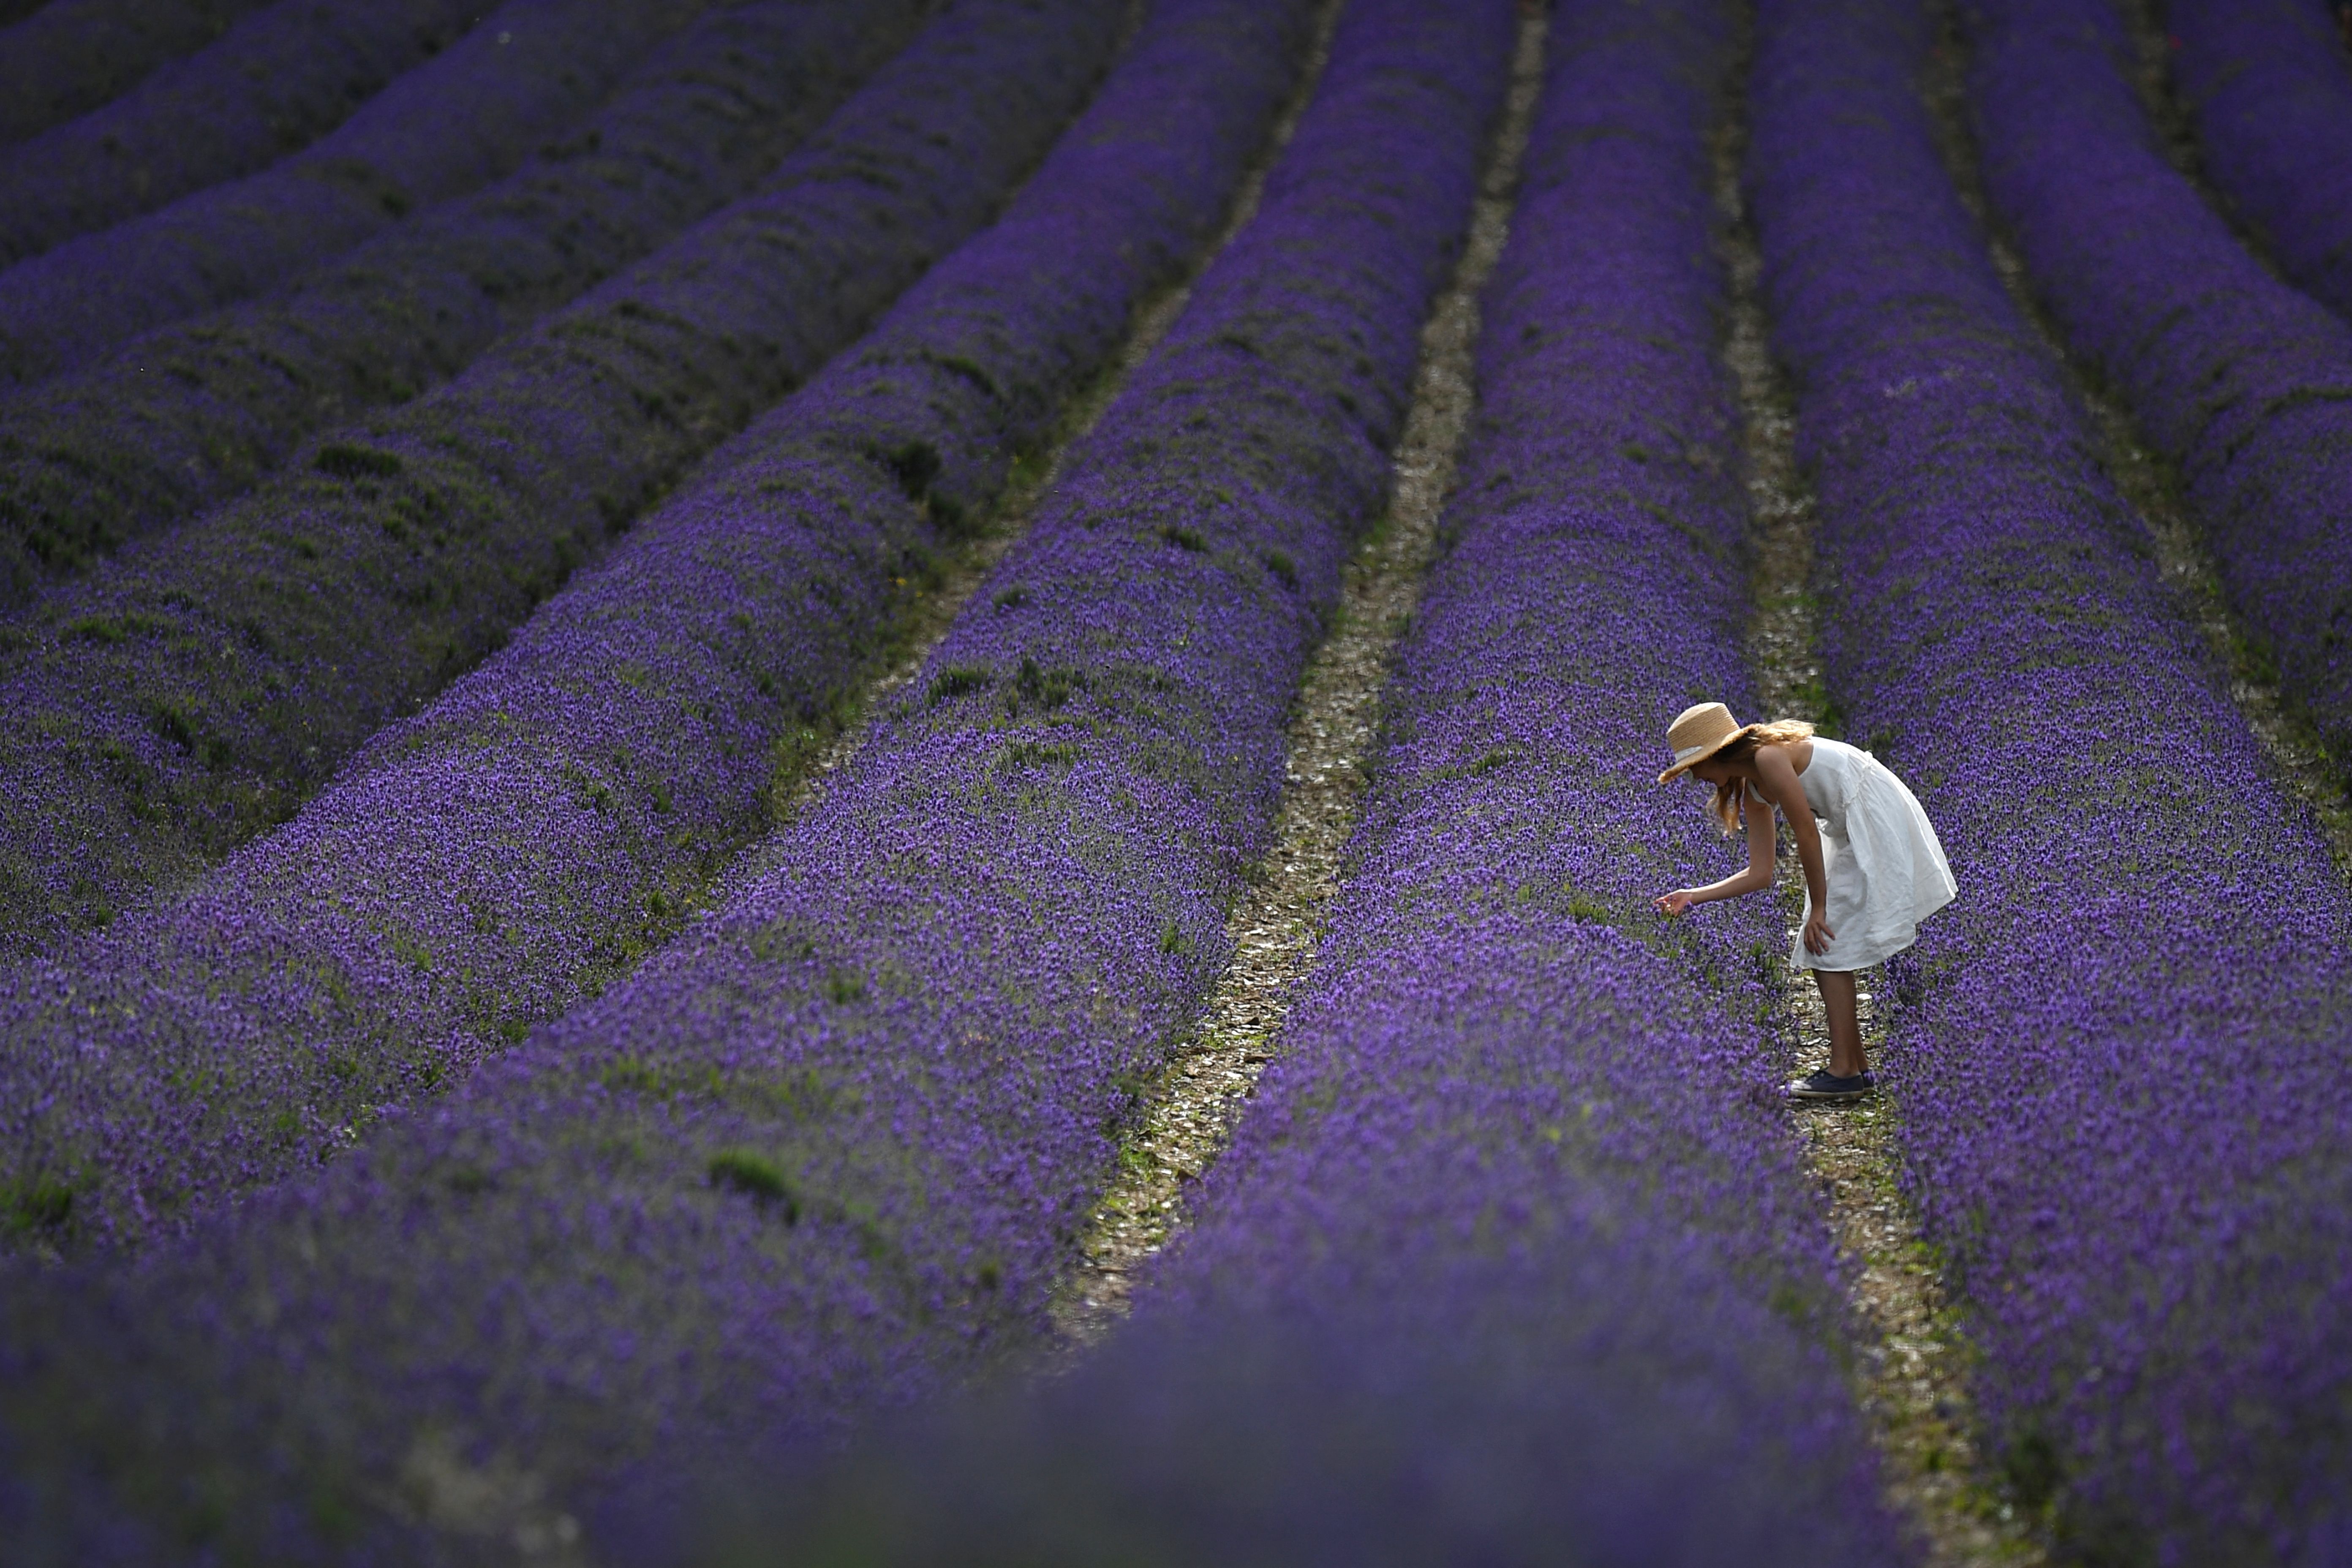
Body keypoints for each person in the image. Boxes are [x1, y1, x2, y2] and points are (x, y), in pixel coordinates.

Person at [1651, 702, 1955, 1101]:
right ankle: (1857, 1066)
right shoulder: (1755, 790)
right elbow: (1760, 874)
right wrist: (1694, 896)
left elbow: (1807, 835)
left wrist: (1821, 908)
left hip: (1873, 810)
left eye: (1694, 766)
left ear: (1715, 756)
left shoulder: (1769, 757)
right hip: (1852, 819)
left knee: (1825, 939)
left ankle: (1843, 1072)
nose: (1694, 776)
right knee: (1825, 944)